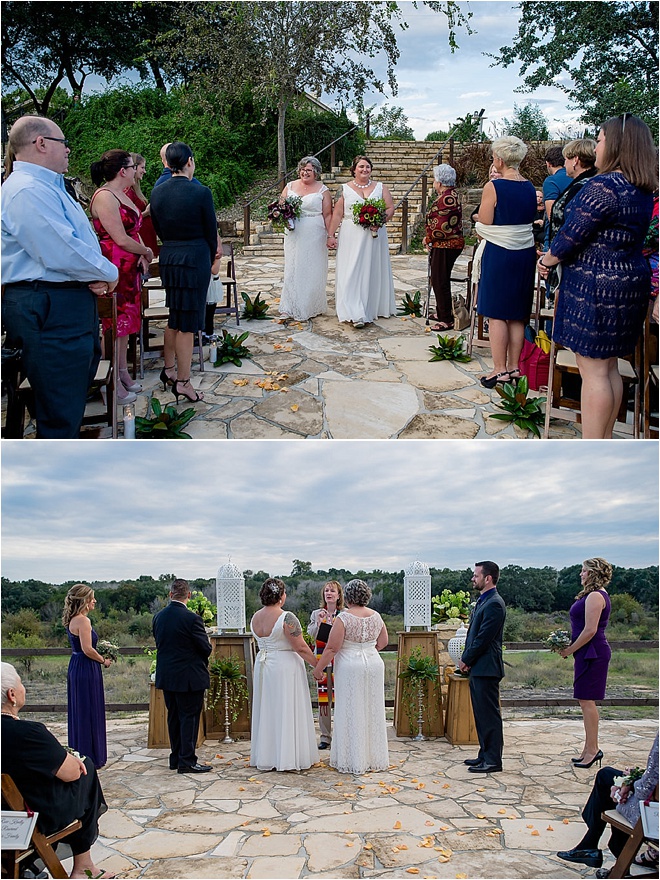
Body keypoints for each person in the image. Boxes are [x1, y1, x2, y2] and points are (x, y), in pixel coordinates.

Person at [538, 114, 657, 438]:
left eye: (601, 139)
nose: (598, 145)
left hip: (596, 286)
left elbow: (572, 234)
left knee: (593, 372)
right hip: (629, 281)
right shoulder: (641, 187)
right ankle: (604, 440)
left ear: (616, 144)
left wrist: (547, 261)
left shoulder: (603, 186)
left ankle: (592, 448)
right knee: (609, 367)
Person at [1, 115, 118, 438]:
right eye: (63, 144)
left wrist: (90, 276)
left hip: (61, 300)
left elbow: (75, 242)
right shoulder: (26, 190)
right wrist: (108, 272)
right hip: (48, 306)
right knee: (59, 412)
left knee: (68, 400)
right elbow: (59, 249)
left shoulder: (46, 185)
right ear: (41, 144)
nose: (68, 151)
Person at [1, 663, 112, 880]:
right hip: (27, 819)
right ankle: (83, 866)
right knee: (86, 770)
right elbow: (71, 773)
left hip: (5, 811)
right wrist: (74, 761)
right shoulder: (28, 734)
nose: (24, 687)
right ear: (11, 694)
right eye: (21, 683)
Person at [150, 141, 219, 403]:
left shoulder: (157, 192)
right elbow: (210, 231)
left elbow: (157, 227)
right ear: (189, 161)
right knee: (188, 325)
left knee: (175, 316)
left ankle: (169, 370)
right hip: (194, 258)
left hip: (170, 257)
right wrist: (211, 257)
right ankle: (184, 382)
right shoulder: (201, 192)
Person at [90, 149, 154, 403]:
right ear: (122, 171)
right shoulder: (104, 197)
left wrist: (141, 255)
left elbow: (134, 230)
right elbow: (119, 238)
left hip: (131, 267)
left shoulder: (123, 194)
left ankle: (123, 373)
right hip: (114, 266)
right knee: (114, 325)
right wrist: (146, 250)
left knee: (127, 325)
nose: (137, 171)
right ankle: (109, 382)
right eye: (132, 166)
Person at [474, 136, 538, 388]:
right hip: (524, 254)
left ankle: (499, 369)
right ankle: (514, 367)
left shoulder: (495, 186)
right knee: (517, 313)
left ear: (499, 160)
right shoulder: (530, 186)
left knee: (497, 312)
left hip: (500, 252)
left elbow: (484, 225)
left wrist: (479, 218)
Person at [313, 578, 389, 775]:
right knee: (371, 708)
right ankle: (373, 757)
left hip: (350, 667)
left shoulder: (344, 619)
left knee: (350, 709)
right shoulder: (377, 616)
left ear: (347, 596)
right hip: (373, 664)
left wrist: (318, 669)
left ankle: (351, 757)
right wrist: (367, 650)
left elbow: (331, 648)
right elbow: (383, 642)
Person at [557, 732, 658, 875]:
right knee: (608, 776)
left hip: (653, 818)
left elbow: (646, 788)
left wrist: (629, 783)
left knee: (609, 783)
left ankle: (611, 858)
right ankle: (590, 845)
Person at [250, 578, 319, 771]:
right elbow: (301, 648)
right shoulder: (287, 618)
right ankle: (288, 757)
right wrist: (318, 666)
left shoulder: (255, 617)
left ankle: (267, 755)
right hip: (284, 668)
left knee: (268, 709)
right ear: (281, 596)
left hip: (263, 666)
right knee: (286, 708)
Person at [327, 155, 396, 328]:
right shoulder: (344, 189)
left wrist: (379, 221)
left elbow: (390, 208)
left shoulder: (380, 187)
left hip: (374, 235)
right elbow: (337, 214)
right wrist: (331, 235)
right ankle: (353, 311)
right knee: (351, 271)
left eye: (367, 167)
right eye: (361, 167)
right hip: (351, 233)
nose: (365, 170)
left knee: (371, 269)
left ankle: (369, 307)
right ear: (354, 169)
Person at [152, 578, 212, 773]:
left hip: (168, 676)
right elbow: (205, 648)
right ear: (189, 595)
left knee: (174, 717)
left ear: (170, 595)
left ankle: (175, 757)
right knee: (189, 718)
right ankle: (187, 761)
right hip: (189, 677)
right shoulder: (192, 618)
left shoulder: (158, 617)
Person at [559, 557, 613, 769]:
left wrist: (570, 649)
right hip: (586, 653)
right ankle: (588, 748)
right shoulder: (591, 595)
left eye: (583, 571)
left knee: (587, 701)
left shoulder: (595, 596)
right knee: (584, 700)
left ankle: (593, 749)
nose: (580, 574)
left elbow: (590, 630)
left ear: (592, 573)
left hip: (594, 653)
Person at [459, 561, 506, 774]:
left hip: (487, 667)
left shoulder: (495, 603)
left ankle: (493, 760)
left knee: (489, 715)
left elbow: (483, 639)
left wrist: (465, 659)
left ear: (488, 578)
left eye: (476, 575)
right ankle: (484, 754)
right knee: (480, 714)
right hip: (479, 667)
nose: (473, 578)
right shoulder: (483, 601)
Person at [62, 584, 111, 769]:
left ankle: (80, 751)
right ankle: (92, 755)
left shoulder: (71, 619)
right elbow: (88, 649)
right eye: (92, 598)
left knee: (80, 708)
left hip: (76, 666)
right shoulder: (83, 621)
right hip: (86, 667)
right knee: (89, 707)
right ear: (84, 600)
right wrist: (103, 660)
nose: (95, 601)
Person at [279, 156, 332, 322]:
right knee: (292, 268)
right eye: (302, 169)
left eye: (308, 170)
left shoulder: (323, 190)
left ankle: (308, 306)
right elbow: (281, 206)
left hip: (315, 233)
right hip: (293, 233)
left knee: (311, 268)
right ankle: (288, 306)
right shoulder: (290, 186)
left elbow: (328, 214)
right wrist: (282, 219)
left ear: (316, 172)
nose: (305, 172)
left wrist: (331, 235)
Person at [545, 139, 598, 302]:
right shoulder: (590, 182)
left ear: (575, 160)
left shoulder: (583, 186)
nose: (564, 163)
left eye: (566, 159)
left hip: (572, 263)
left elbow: (571, 228)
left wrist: (549, 258)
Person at [424, 163, 465, 332]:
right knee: (439, 278)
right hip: (444, 244)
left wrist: (428, 238)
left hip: (446, 244)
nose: (434, 183)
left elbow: (441, 226)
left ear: (440, 182)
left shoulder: (447, 199)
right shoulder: (449, 195)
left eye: (434, 180)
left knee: (439, 280)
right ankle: (443, 312)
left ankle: (446, 319)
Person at [307, 580, 344, 750]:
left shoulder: (344, 614)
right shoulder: (316, 613)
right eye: (326, 591)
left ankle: (342, 735)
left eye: (332, 591)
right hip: (322, 660)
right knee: (324, 701)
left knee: (341, 699)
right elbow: (312, 636)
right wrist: (319, 622)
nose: (329, 593)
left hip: (340, 662)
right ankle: (325, 737)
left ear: (338, 596)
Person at [124, 152, 159, 256]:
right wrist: (147, 212)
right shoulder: (128, 191)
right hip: (141, 236)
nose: (144, 171)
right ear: (134, 167)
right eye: (142, 167)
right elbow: (129, 219)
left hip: (147, 234)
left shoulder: (135, 189)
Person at [542, 145, 571, 249]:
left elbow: (552, 215)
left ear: (548, 163)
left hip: (556, 238)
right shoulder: (577, 177)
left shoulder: (551, 181)